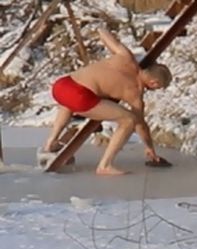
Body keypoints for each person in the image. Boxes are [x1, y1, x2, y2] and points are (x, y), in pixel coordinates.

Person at [39, 26, 172, 176]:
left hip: (62, 85)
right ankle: (105, 165)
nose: (155, 90)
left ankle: (51, 142)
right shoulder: (135, 92)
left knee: (67, 102)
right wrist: (149, 148)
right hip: (79, 96)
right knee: (128, 120)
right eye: (158, 88)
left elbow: (103, 33)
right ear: (154, 83)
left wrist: (101, 28)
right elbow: (140, 124)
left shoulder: (126, 57)